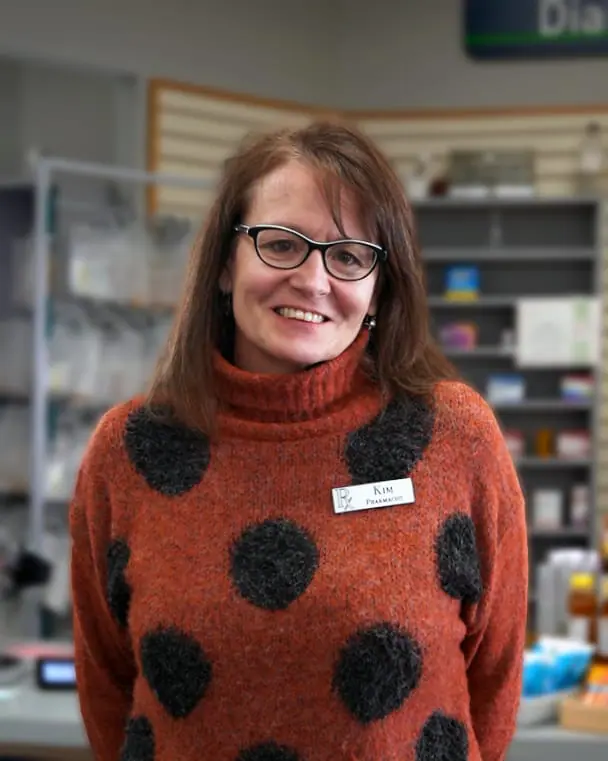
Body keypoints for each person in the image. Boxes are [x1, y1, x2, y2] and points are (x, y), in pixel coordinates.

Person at [69, 120, 528, 761]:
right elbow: (109, 693)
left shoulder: (453, 439)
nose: (314, 280)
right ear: (224, 265)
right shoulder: (129, 452)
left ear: (379, 288)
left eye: (349, 256)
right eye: (282, 244)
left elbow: (493, 689)